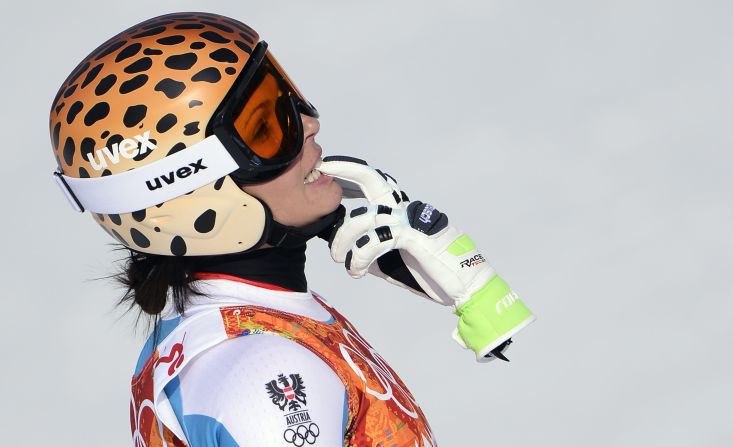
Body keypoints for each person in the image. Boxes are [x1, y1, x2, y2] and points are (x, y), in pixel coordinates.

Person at [49, 12, 535, 446]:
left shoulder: (223, 328)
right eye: (266, 126)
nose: (309, 124)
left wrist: (477, 294)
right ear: (195, 195)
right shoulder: (266, 371)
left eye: (287, 95)